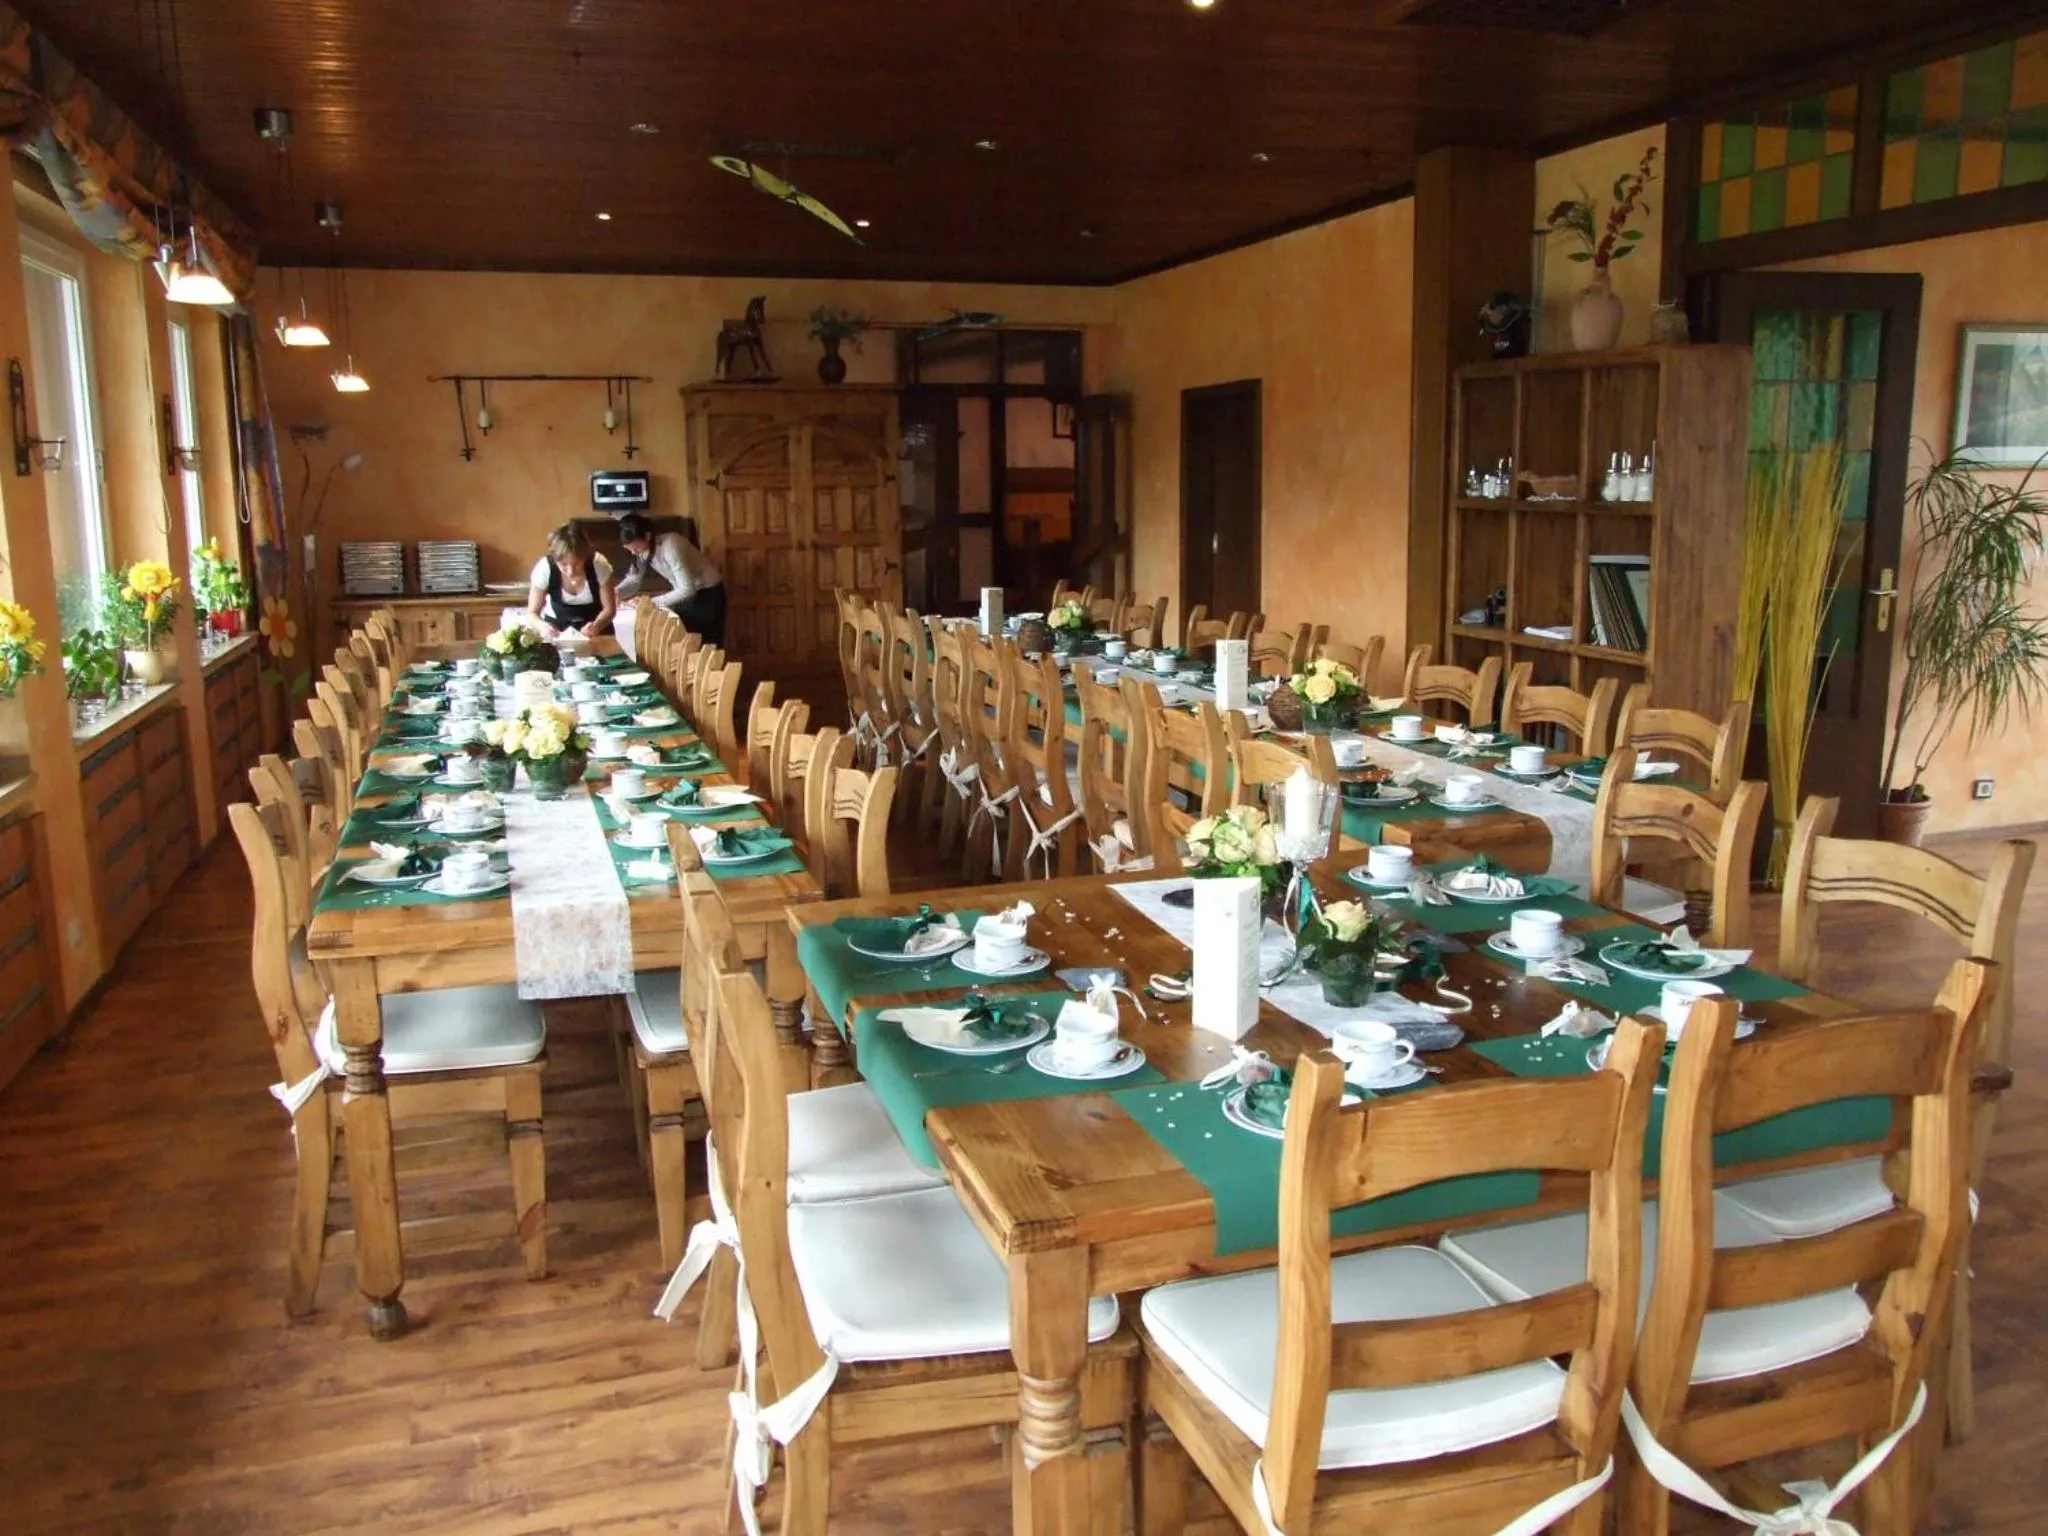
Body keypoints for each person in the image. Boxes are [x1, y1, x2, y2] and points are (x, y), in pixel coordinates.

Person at [613, 512, 726, 645]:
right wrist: (615, 593)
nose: (633, 553)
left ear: (648, 536)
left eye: (636, 548)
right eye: (629, 549)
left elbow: (687, 589)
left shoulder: (671, 545)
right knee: (686, 644)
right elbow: (634, 580)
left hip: (708, 594)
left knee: (708, 646)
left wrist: (649, 603)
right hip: (686, 595)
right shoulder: (640, 551)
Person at [526, 522, 617, 637]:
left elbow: (610, 609)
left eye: (577, 564)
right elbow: (532, 613)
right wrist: (542, 626)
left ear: (584, 556)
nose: (571, 571)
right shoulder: (544, 568)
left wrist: (597, 626)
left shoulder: (599, 565)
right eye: (563, 564)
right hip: (557, 632)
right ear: (555, 558)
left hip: (597, 631)